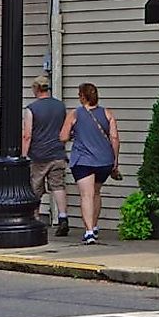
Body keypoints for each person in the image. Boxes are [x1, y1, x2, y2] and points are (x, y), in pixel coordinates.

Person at [61, 83, 117, 245]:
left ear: (82, 97)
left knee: (86, 195)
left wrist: (73, 133)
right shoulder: (107, 113)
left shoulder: (75, 114)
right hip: (104, 160)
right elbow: (114, 138)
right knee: (96, 193)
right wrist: (115, 160)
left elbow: (63, 136)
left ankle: (89, 231)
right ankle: (95, 225)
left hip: (83, 160)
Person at [22, 78, 69, 230]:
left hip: (39, 154)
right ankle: (63, 217)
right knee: (58, 186)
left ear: (36, 89)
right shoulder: (60, 106)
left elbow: (27, 135)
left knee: (35, 187)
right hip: (58, 152)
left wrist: (24, 155)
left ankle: (34, 217)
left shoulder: (31, 109)